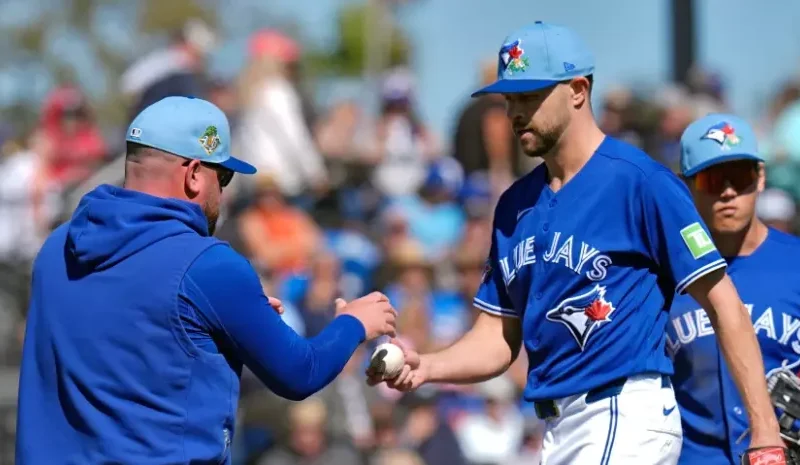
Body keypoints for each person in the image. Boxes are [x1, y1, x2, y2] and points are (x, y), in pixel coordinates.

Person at [367, 21, 786, 464]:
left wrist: (764, 432)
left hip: (624, 412)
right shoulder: (514, 207)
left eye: (530, 96)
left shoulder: (639, 182)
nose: (515, 112)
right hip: (558, 427)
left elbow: (723, 303)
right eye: (510, 99)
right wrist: (428, 366)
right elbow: (496, 337)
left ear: (578, 90)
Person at [16, 96, 397, 464]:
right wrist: (354, 323)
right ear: (195, 174)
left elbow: (127, 338)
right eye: (224, 175)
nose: (224, 191)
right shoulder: (209, 265)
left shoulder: (56, 249)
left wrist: (225, 323)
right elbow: (300, 373)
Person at [668, 114, 800, 464]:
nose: (728, 192)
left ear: (760, 178)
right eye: (712, 179)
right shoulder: (663, 276)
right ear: (687, 186)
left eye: (739, 177)